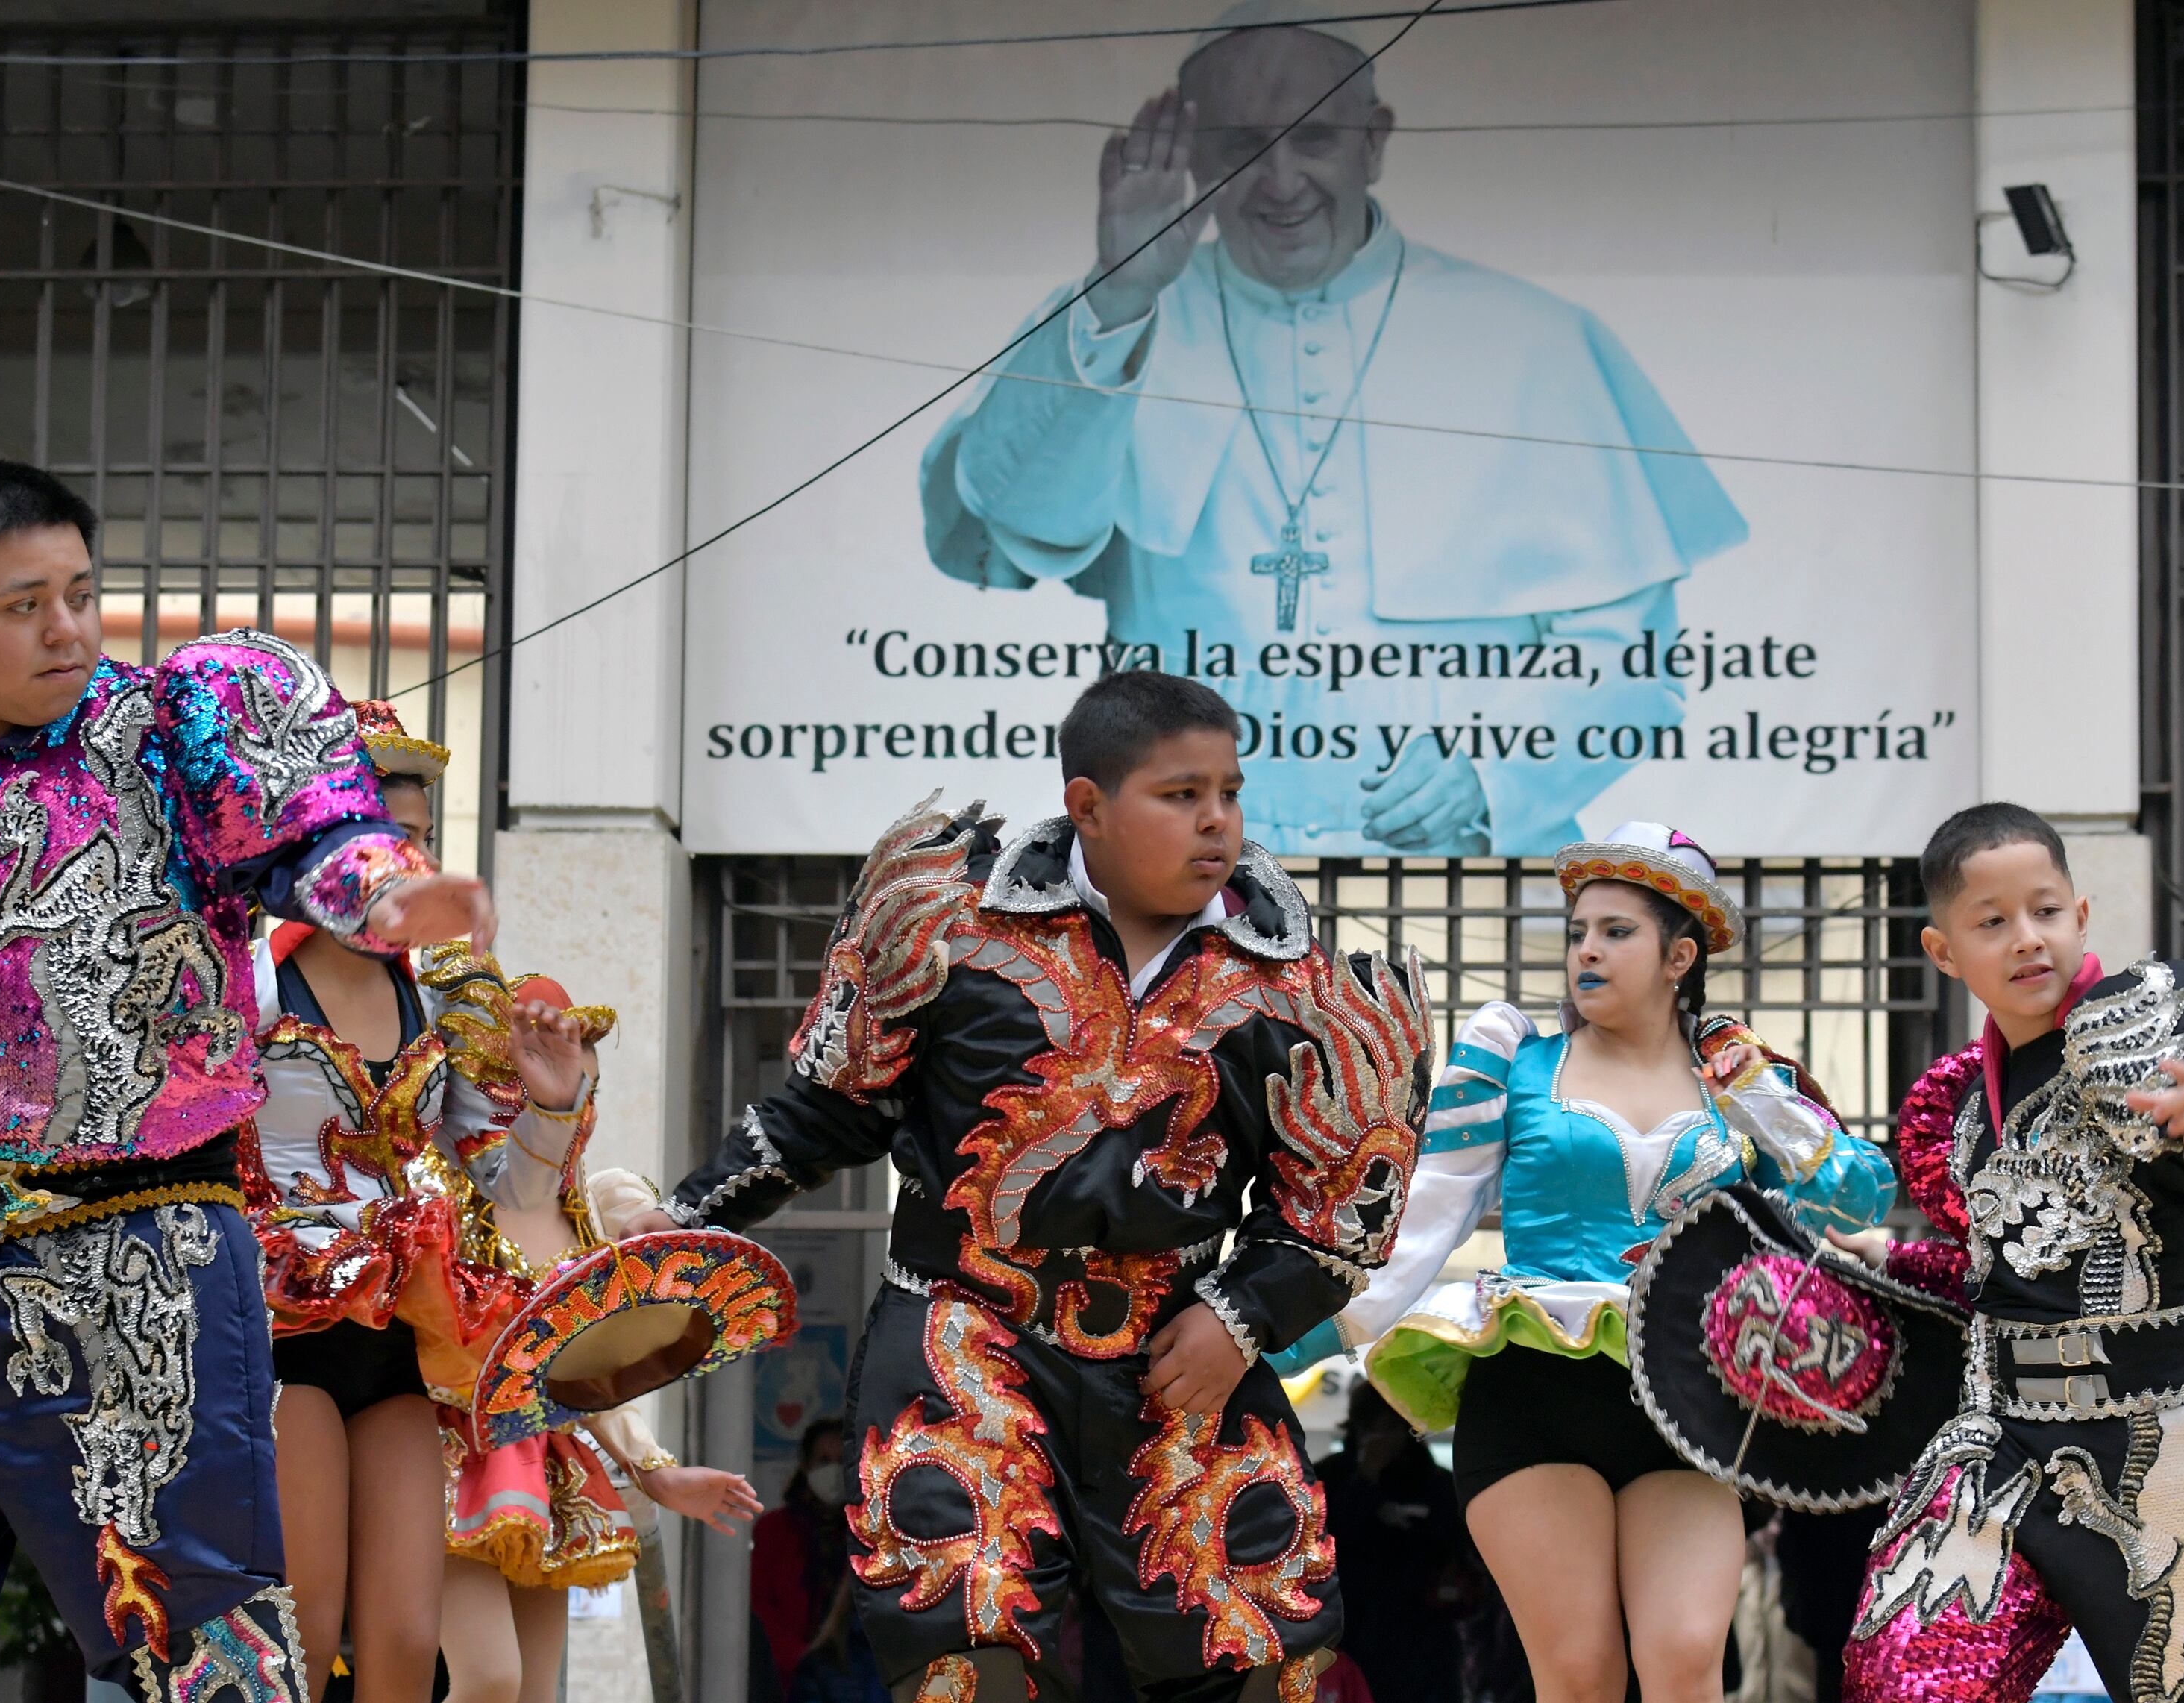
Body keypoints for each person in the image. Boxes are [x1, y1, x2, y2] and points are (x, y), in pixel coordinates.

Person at [0, 460, 492, 1701]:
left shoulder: (171, 735)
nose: (70, 629)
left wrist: (385, 893)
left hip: (138, 1252)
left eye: (85, 595)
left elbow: (314, 845)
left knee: (190, 1638)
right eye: (27, 602)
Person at [627, 668, 1433, 1701]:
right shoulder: (945, 927)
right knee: (964, 1653)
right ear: (1086, 804)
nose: (1216, 822)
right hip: (961, 1332)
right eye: (1180, 794)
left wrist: (1239, 1316)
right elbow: (825, 1109)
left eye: (1227, 792)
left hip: (1176, 1360)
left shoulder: (1293, 984)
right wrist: (685, 1214)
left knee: (1265, 1660)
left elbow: (1331, 1213)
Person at [918, 0, 1745, 859]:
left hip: (1455, 874)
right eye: (1242, 148)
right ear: (1196, 154)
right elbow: (1012, 525)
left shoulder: (1534, 337)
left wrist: (1492, 772)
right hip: (1190, 884)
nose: (1280, 183)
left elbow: (1630, 656)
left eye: (1313, 141)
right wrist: (1121, 291)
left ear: (1373, 143)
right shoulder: (1111, 316)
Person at [1342, 823, 1895, 1703]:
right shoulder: (1513, 1060)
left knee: (1683, 1664)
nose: (1587, 951)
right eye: (1578, 933)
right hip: (1532, 1394)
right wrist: (1287, 1330)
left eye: (1616, 932)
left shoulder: (1741, 1084)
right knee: (1582, 1675)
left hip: (1688, 1403)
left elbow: (1856, 1204)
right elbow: (1426, 1217)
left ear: (1679, 956)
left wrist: (1765, 1104)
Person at [1832, 804, 2184, 1703]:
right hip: (1997, 1444)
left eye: (2046, 911)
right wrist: (1882, 1262)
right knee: (1904, 1682)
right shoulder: (1967, 1108)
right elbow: (1996, 1283)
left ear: (2081, 914)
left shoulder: (2158, 1023)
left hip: (2147, 1447)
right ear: (1943, 952)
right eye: (1993, 922)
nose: (2027, 939)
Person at [236, 701, 598, 1702]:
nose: (409, 859)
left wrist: (553, 1102)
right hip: (278, 1331)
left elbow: (511, 1194)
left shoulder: (441, 996)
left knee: (403, 1640)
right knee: (304, 1627)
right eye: (389, 835)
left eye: (422, 837)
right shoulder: (244, 989)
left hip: (402, 1336)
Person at [430, 1132, 762, 1703]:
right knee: (490, 1677)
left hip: (540, 1459)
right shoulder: (436, 1182)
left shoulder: (597, 1203)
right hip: (444, 1448)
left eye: (587, 1059)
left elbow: (595, 1369)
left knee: (533, 1692)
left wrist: (654, 1470)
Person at [1312, 1380, 1463, 1703]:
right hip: (1350, 1628)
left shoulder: (1435, 1483)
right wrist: (1366, 1478)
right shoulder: (1330, 1477)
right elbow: (1321, 1542)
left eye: (1394, 1428)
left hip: (1425, 1629)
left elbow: (1456, 1545)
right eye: (1375, 1428)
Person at [754, 1419, 853, 1691]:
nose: (833, 1469)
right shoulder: (775, 1530)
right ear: (806, 1466)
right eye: (823, 1460)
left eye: (841, 1461)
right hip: (787, 1679)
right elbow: (760, 1606)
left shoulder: (868, 1535)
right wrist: (801, 1660)